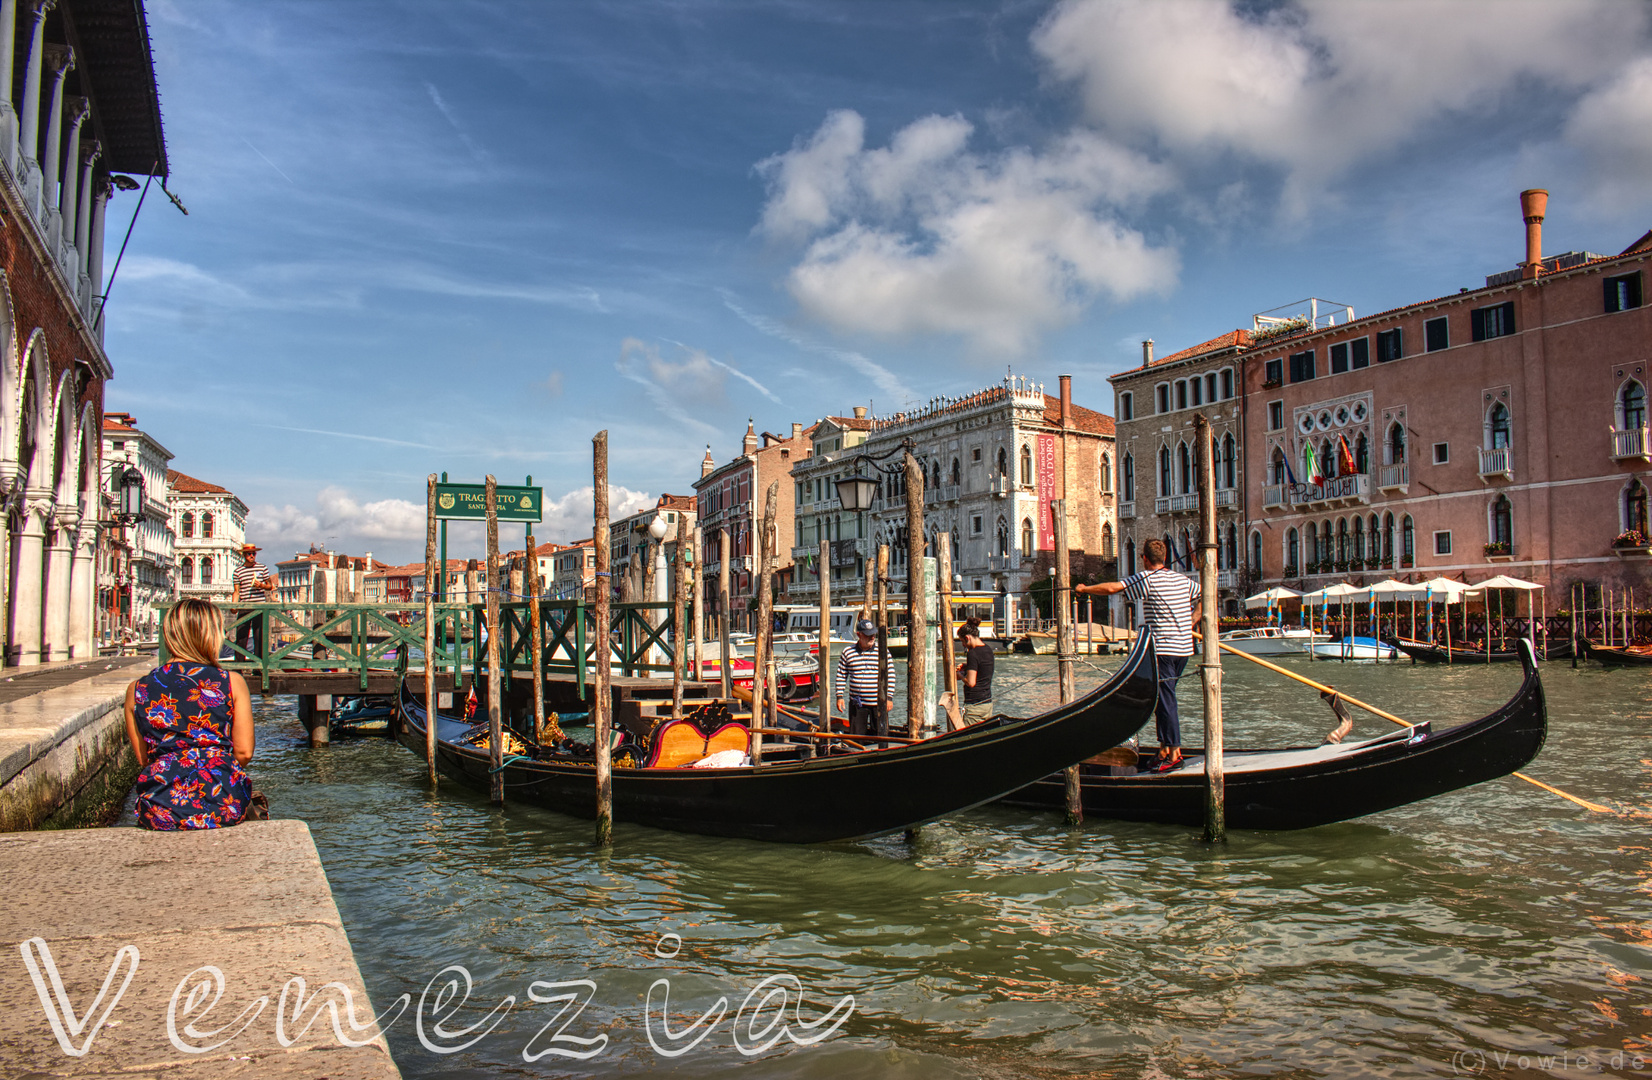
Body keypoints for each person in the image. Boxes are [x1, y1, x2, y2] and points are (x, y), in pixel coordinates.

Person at [124, 598, 256, 829]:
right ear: (211, 635)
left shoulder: (137, 689)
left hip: (159, 806)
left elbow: (144, 759)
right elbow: (243, 753)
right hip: (221, 803)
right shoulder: (231, 682)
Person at [1076, 538, 1202, 772]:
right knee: (1162, 697)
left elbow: (1113, 588)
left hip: (1164, 649)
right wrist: (1192, 621)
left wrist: (1084, 589)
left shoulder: (1146, 579)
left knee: (1166, 700)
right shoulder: (1182, 580)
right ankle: (1164, 749)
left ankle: (1174, 753)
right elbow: (1205, 595)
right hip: (1184, 649)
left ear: (1144, 558)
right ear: (1163, 557)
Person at [834, 618, 892, 736]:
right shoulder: (848, 652)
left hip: (879, 703)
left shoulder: (883, 651)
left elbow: (890, 675)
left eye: (873, 634)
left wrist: (889, 698)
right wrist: (839, 696)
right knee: (857, 735)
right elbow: (841, 675)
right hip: (858, 703)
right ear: (859, 635)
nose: (872, 637)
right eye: (868, 635)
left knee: (881, 735)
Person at [231, 544, 276, 659]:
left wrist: (261, 585)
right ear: (244, 555)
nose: (252, 556)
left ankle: (259, 667)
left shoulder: (262, 568)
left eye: (253, 553)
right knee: (241, 637)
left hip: (260, 607)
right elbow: (236, 591)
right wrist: (234, 606)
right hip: (244, 606)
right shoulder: (238, 572)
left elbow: (270, 585)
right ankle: (239, 666)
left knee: (259, 637)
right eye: (249, 554)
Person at [956, 617, 995, 724]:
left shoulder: (972, 653)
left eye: (962, 641)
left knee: (968, 736)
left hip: (974, 706)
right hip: (987, 703)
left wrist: (960, 675)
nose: (963, 645)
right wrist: (968, 666)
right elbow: (982, 669)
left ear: (968, 638)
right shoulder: (988, 650)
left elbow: (971, 682)